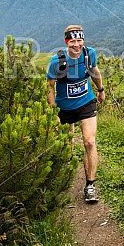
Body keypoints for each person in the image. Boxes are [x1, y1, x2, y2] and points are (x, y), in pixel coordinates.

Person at [47, 25, 105, 202]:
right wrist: (53, 112)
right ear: (67, 41)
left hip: (86, 102)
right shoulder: (56, 61)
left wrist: (100, 89)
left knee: (89, 141)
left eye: (79, 40)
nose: (77, 45)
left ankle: (90, 185)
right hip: (64, 107)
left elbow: (94, 71)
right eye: (73, 41)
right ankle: (65, 178)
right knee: (67, 145)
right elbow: (49, 86)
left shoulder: (90, 54)